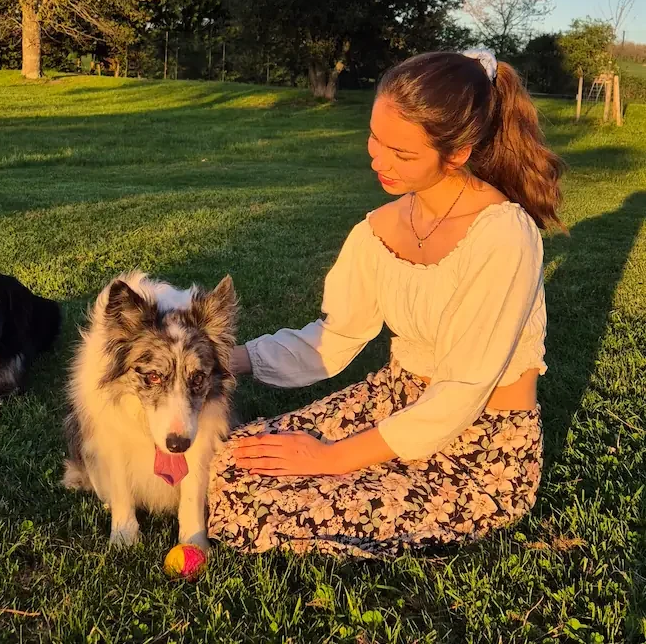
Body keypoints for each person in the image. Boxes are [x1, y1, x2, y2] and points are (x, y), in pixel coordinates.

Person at [207, 49, 566, 558]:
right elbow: (336, 335)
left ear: (458, 153)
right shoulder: (378, 228)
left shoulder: (504, 235)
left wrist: (329, 458)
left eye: (402, 153)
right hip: (390, 400)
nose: (379, 159)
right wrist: (222, 358)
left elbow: (462, 390)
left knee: (256, 506)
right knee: (223, 463)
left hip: (476, 446)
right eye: (375, 137)